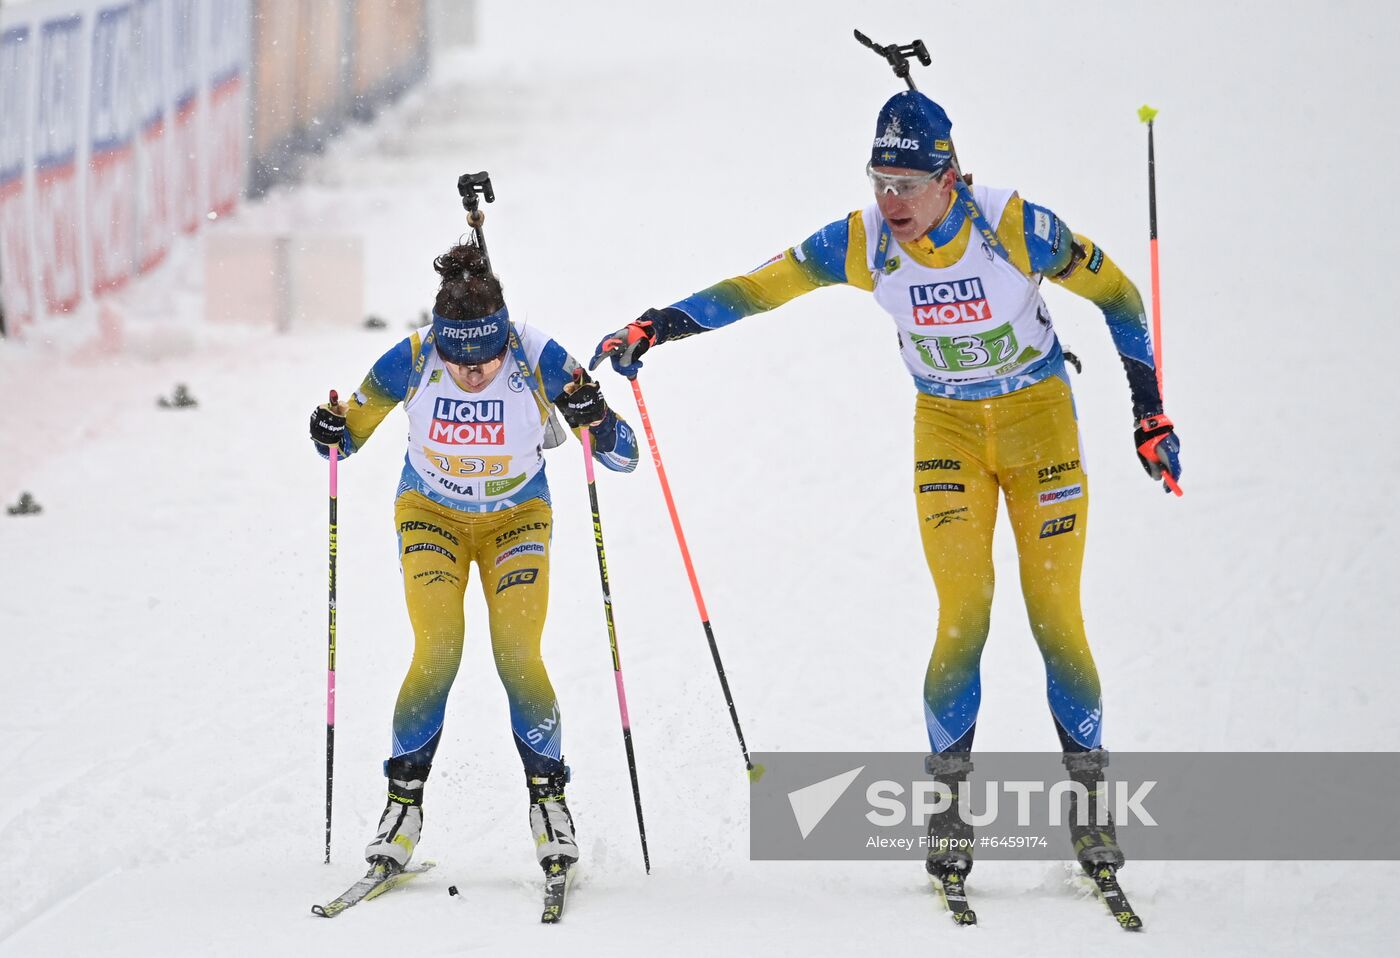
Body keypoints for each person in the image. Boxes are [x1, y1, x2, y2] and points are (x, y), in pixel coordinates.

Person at [590, 90, 1181, 881]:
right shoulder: (863, 243)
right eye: (879, 181)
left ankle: (1090, 810)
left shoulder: (1012, 226)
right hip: (948, 433)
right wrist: (655, 325)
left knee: (1055, 619)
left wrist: (1149, 413)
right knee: (963, 616)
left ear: (951, 179)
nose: (890, 200)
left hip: (1040, 425)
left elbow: (1119, 295)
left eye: (907, 184)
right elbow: (756, 288)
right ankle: (948, 814)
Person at [309, 243, 638, 881]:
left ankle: (550, 805)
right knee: (438, 647)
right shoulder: (409, 358)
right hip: (431, 516)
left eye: (487, 357)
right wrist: (326, 427)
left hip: (518, 520)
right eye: (460, 360)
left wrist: (593, 415)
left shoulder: (538, 356)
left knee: (519, 652)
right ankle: (401, 807)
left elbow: (622, 458)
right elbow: (344, 440)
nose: (476, 372)